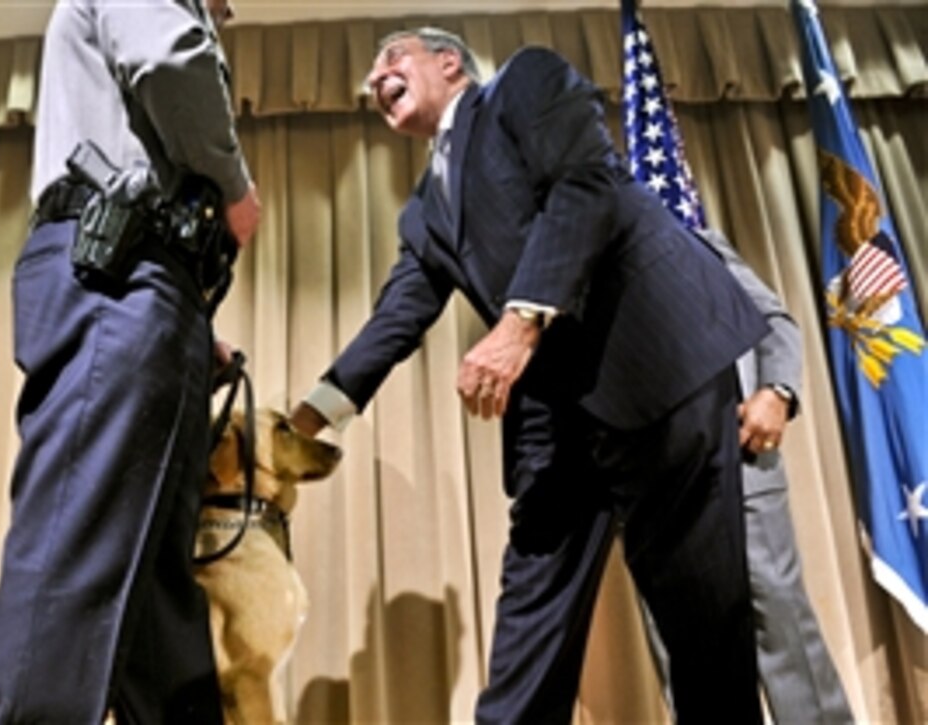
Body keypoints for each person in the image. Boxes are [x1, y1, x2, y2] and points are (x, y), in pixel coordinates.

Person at [289, 27, 771, 723]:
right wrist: (303, 419)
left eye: (393, 56)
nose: (375, 76)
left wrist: (519, 323)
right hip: (560, 415)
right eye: (371, 70)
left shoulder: (524, 83)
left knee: (698, 615)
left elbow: (585, 182)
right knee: (532, 609)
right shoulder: (425, 209)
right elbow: (396, 318)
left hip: (653, 363)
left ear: (448, 61)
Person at [0, 0, 260, 722]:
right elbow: (170, 60)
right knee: (78, 552)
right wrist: (233, 185)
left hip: (150, 289)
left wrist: (193, 326)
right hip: (120, 275)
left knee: (156, 600)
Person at [640, 227, 854, 723]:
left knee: (780, 620)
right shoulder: (567, 263)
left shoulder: (687, 232)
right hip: (650, 481)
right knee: (681, 643)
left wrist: (776, 390)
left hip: (739, 457)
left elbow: (773, 320)